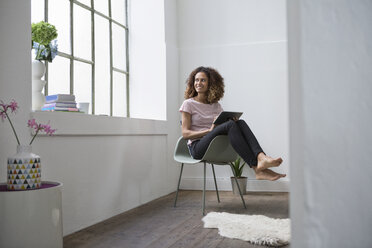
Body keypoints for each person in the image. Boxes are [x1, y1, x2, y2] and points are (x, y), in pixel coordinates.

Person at [179, 66, 286, 181]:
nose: (199, 83)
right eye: (196, 80)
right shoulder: (188, 104)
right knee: (230, 125)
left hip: (214, 145)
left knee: (239, 122)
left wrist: (230, 121)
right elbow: (185, 134)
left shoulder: (216, 106)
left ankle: (261, 158)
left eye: (203, 80)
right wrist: (209, 131)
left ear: (210, 83)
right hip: (197, 148)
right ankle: (258, 166)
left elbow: (222, 126)